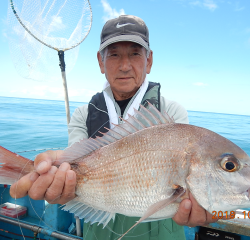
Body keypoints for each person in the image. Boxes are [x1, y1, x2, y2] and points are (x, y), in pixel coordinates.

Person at [10, 15, 218, 240]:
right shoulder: (84, 115)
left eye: (135, 53)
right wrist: (56, 178)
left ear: (149, 61)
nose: (125, 65)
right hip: (99, 230)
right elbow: (73, 166)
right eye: (114, 54)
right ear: (101, 61)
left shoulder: (171, 113)